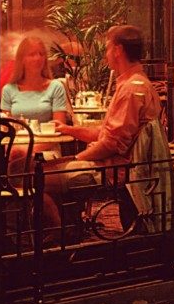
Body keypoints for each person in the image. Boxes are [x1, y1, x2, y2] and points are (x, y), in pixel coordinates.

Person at [47, 25, 161, 229]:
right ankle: (70, 228)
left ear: (118, 50)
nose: (105, 54)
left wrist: (76, 158)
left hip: (114, 170)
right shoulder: (135, 83)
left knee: (38, 180)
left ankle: (60, 235)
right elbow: (107, 133)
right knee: (48, 169)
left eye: (107, 48)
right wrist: (69, 130)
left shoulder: (131, 90)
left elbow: (111, 143)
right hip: (113, 164)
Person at [1, 36, 71, 125]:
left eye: (41, 54)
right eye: (32, 54)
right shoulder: (8, 89)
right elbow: (7, 127)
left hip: (48, 138)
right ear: (22, 59)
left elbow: (59, 125)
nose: (38, 58)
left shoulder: (55, 87)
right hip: (18, 138)